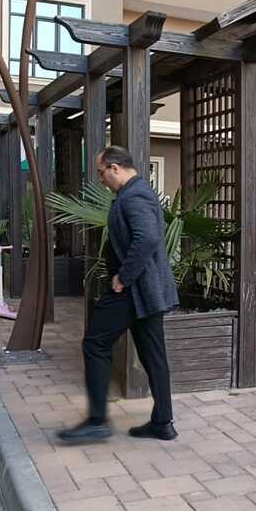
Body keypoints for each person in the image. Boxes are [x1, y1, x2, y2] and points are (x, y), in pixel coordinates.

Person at [60, 146, 179, 443]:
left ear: (115, 168)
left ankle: (97, 421)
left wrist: (122, 278)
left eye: (101, 173)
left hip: (132, 289)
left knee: (95, 343)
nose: (100, 179)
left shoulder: (135, 195)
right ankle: (162, 423)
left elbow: (147, 238)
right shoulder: (135, 192)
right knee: (153, 355)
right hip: (145, 292)